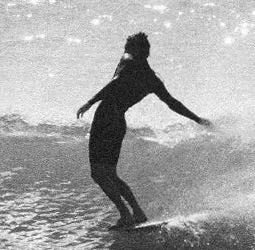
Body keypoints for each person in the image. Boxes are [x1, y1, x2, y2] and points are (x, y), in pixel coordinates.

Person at [74, 29, 210, 227]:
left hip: (105, 118)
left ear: (136, 50)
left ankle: (125, 215)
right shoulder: (152, 79)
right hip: (119, 121)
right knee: (111, 174)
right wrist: (197, 119)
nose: (124, 50)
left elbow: (114, 84)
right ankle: (137, 213)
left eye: (128, 47)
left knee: (98, 173)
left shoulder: (127, 60)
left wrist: (90, 102)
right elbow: (172, 103)